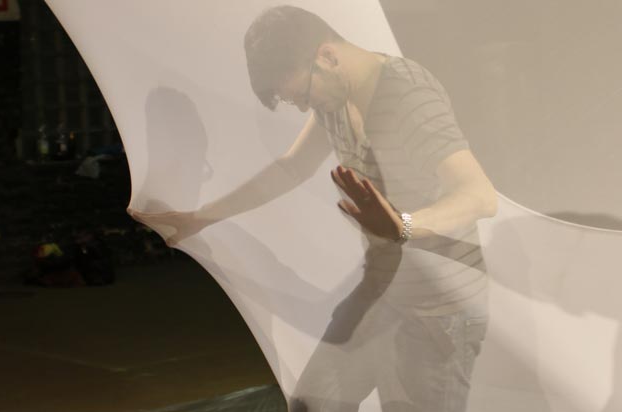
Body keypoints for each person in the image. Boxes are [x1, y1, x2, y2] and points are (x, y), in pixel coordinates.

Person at [132, 5, 497, 411]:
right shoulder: (334, 101)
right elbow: (291, 168)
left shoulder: (407, 95)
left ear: (327, 56)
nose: (307, 108)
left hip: (438, 311)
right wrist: (200, 218)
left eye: (304, 96)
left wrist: (403, 226)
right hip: (381, 293)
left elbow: (479, 196)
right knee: (313, 405)